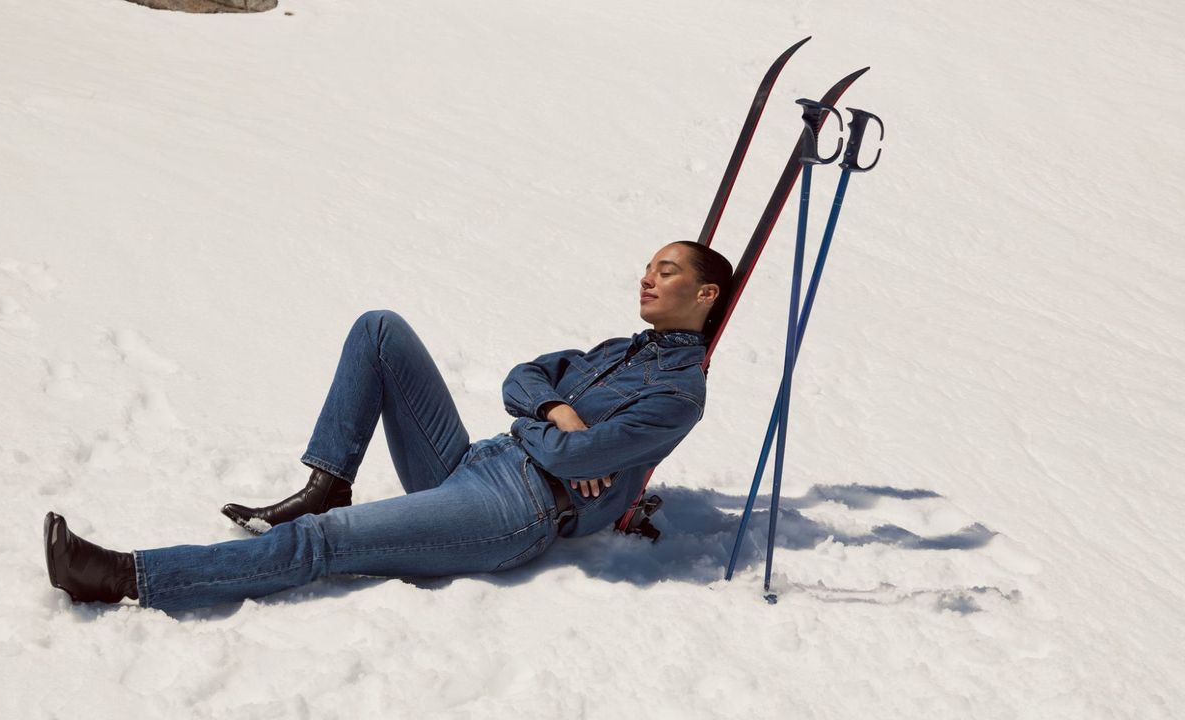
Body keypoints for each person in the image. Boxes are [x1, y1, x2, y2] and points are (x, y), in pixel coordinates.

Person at [43, 241, 733, 612]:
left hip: (513, 511)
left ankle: (124, 578)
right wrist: (552, 410)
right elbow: (523, 378)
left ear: (704, 295)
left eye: (665, 271)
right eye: (646, 266)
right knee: (381, 331)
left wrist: (549, 427)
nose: (645, 278)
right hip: (475, 466)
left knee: (324, 544)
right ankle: (328, 480)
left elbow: (578, 459)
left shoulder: (677, 392)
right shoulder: (621, 351)